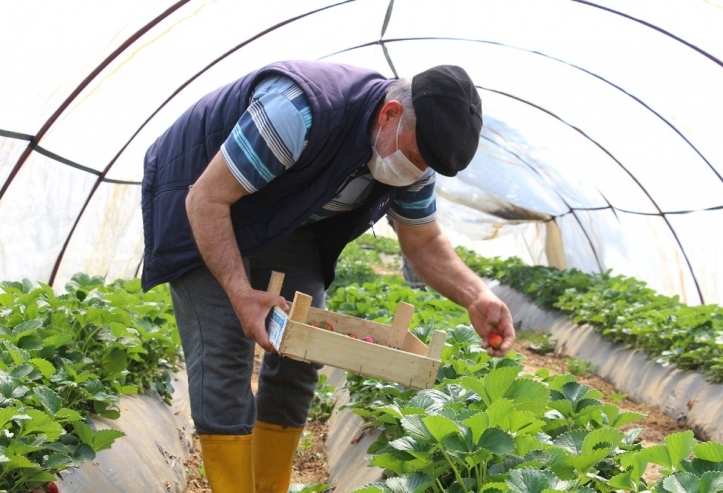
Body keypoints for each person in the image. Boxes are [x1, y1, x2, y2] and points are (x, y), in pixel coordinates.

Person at [141, 60, 515, 492]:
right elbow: (206, 199)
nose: (414, 172)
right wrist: (241, 293)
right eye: (414, 158)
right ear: (390, 114)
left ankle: (269, 486)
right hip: (201, 197)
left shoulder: (415, 155)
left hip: (286, 215)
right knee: (226, 354)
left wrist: (477, 296)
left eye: (424, 166)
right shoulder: (298, 113)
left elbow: (424, 243)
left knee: (302, 347)